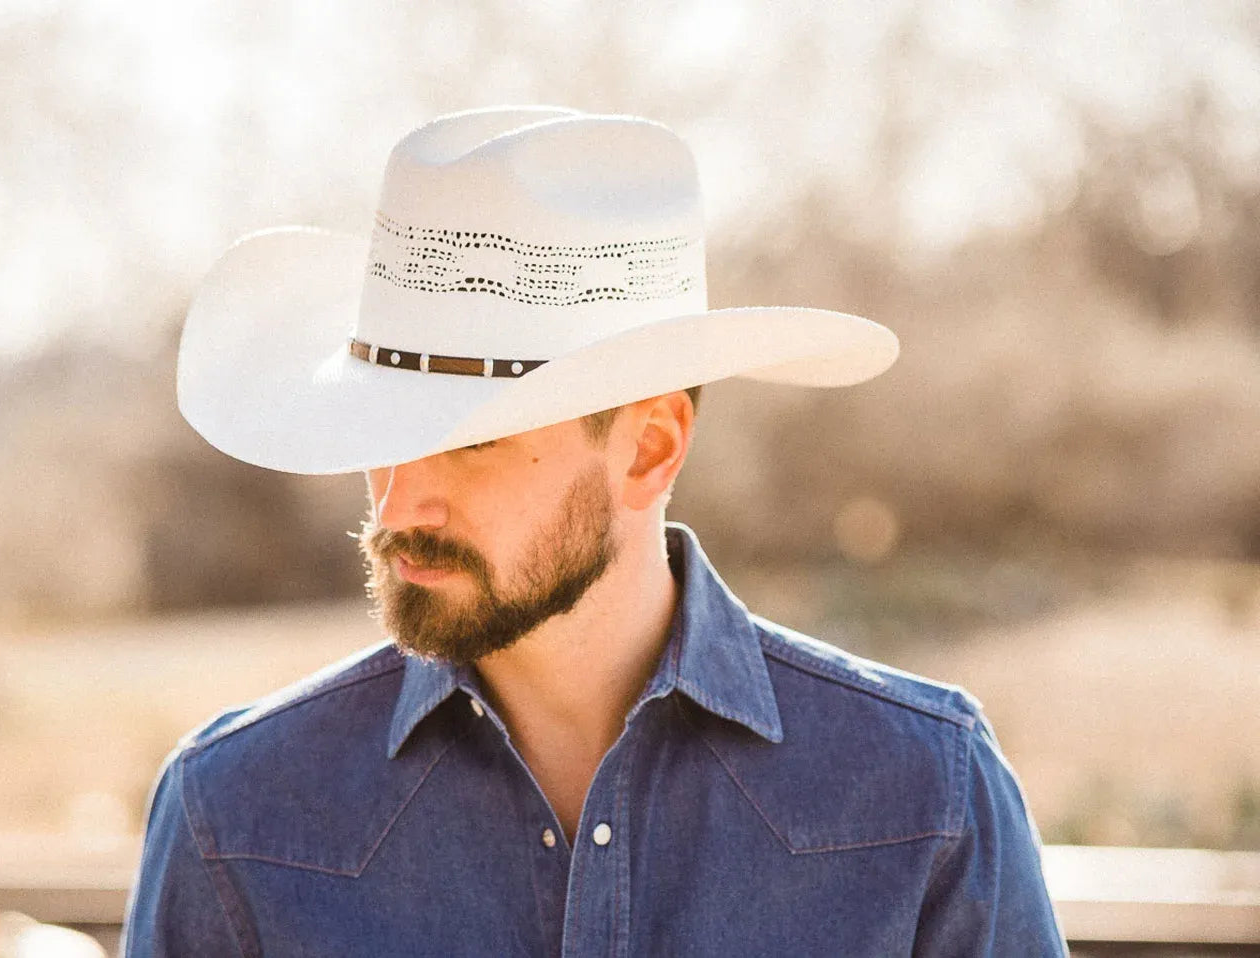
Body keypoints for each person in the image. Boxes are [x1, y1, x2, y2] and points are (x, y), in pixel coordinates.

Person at [122, 107, 1067, 956]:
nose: (399, 506)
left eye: (471, 443)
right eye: (383, 438)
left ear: (650, 447)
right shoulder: (235, 815)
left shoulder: (925, 797)